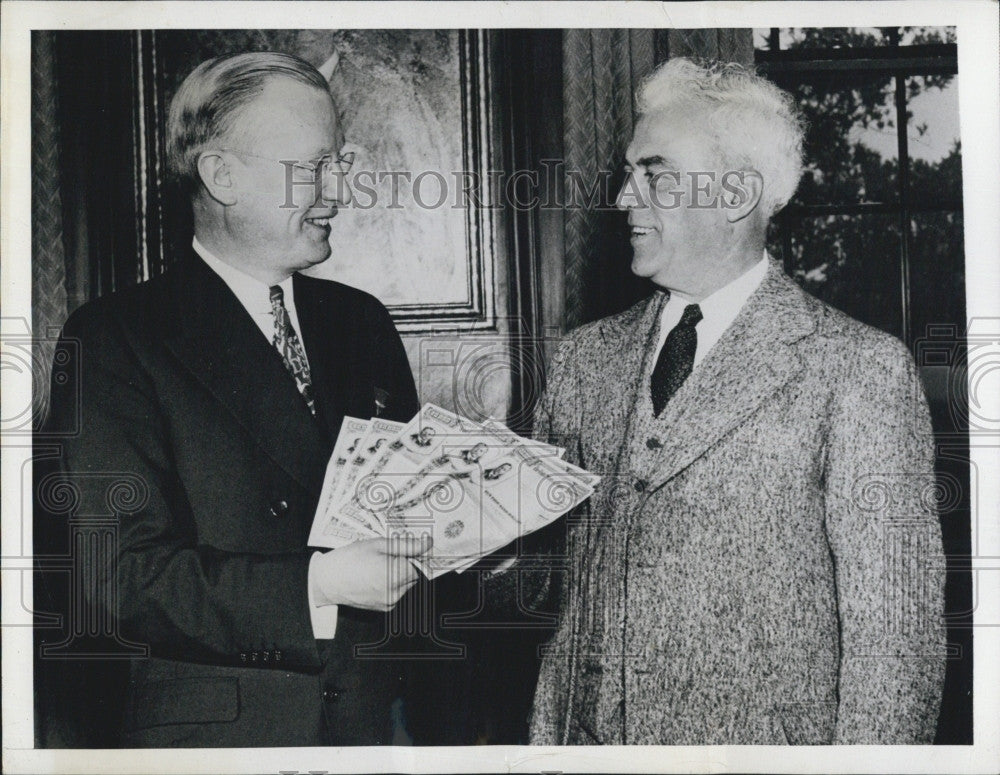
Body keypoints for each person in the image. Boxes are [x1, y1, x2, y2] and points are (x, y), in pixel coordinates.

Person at [526, 58, 946, 745]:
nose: (626, 198)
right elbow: (542, 578)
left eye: (655, 174)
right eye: (630, 172)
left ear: (735, 194)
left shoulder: (858, 370)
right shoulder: (582, 359)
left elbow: (895, 650)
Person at [45, 52, 425, 747]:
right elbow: (120, 578)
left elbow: (405, 510)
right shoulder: (112, 339)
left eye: (338, 164)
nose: (338, 190)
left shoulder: (361, 321)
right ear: (221, 175)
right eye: (313, 167)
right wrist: (322, 581)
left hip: (373, 725)